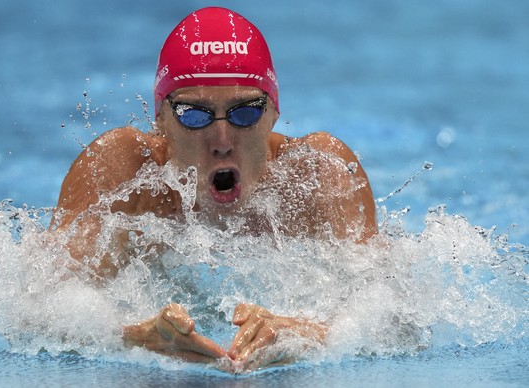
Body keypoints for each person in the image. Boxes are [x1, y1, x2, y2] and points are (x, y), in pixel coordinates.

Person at [51, 7, 377, 371]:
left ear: (273, 111)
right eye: (193, 114)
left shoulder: (317, 174)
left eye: (245, 112)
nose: (222, 141)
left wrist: (310, 334)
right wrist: (133, 337)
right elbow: (40, 305)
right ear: (160, 120)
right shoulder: (122, 173)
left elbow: (393, 311)